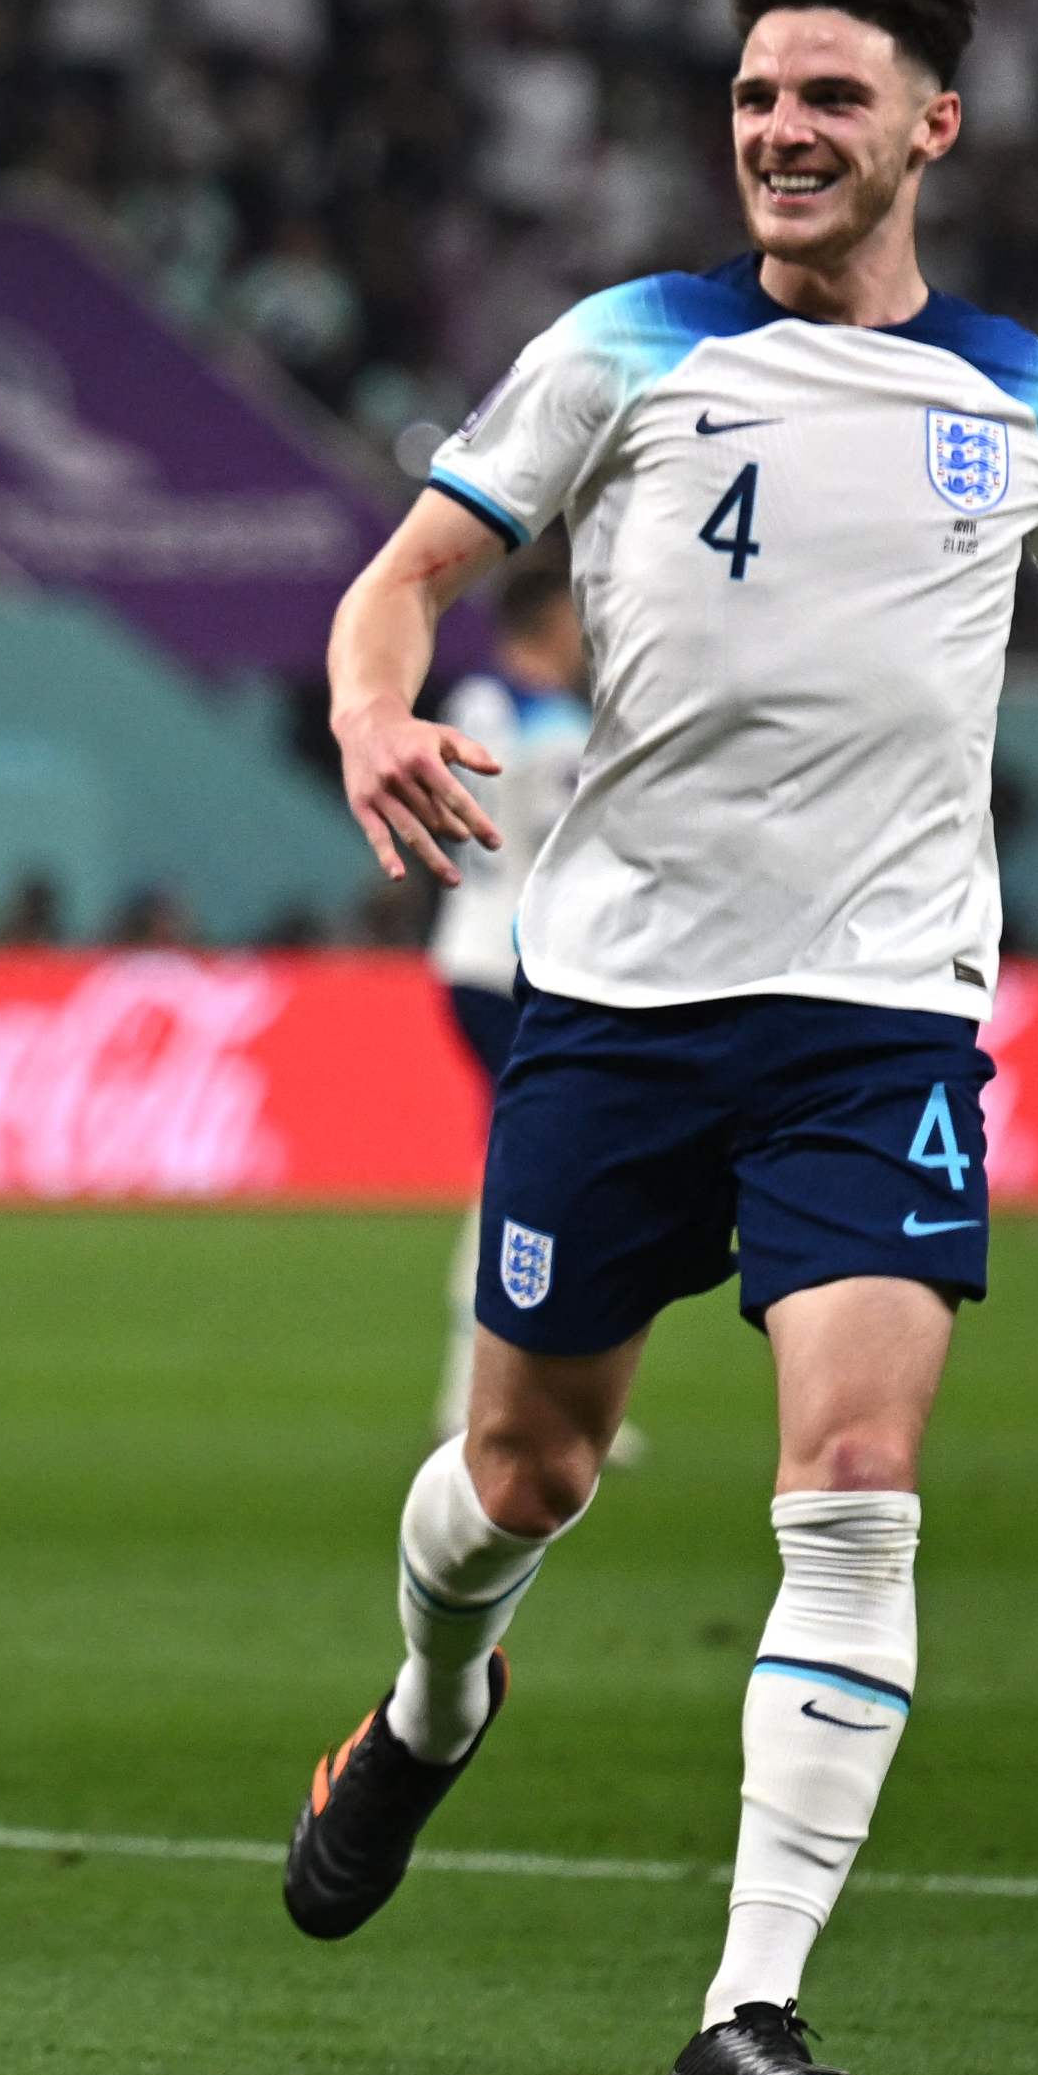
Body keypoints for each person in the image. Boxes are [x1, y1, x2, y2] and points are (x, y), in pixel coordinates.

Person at [292, 0, 1038, 2075]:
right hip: (610, 1004)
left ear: (928, 127)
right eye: (755, 100)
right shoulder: (620, 348)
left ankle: (743, 2006)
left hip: (878, 1011)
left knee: (854, 1485)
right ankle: (423, 1704)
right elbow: (393, 577)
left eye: (828, 100)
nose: (782, 134)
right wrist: (370, 704)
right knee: (525, 1477)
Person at [422, 562, 591, 1441]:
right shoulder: (556, 725)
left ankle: (517, 1390)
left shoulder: (472, 704)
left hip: (461, 946)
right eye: (573, 615)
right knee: (533, 1167)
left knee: (531, 1159)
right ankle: (487, 1396)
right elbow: (576, 846)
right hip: (527, 964)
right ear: (545, 622)